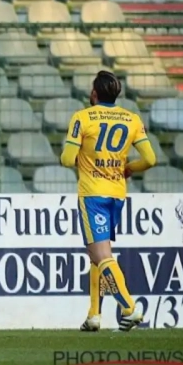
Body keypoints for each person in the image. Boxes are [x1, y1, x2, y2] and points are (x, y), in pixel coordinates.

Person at [60, 70, 156, 332]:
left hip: (92, 194)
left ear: (94, 93)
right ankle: (94, 315)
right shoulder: (132, 119)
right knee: (96, 256)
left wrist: (81, 157)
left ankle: (129, 308)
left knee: (102, 256)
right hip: (117, 194)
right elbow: (150, 159)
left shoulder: (82, 118)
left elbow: (67, 159)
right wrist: (129, 168)